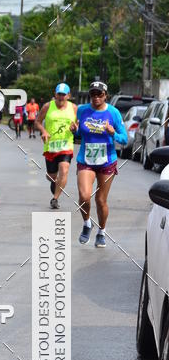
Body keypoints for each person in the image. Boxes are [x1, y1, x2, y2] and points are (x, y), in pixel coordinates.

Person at [71, 80, 128, 247]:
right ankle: (87, 223)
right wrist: (75, 130)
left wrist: (113, 134)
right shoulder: (82, 110)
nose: (96, 97)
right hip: (86, 159)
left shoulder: (114, 113)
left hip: (107, 160)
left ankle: (101, 231)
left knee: (101, 200)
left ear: (105, 96)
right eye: (93, 94)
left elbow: (124, 139)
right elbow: (81, 132)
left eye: (99, 94)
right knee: (84, 196)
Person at [35, 83, 77, 210]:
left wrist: (75, 128)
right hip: (51, 146)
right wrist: (43, 131)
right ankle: (54, 181)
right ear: (55, 94)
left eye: (64, 95)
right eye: (59, 94)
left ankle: (55, 199)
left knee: (64, 170)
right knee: (52, 176)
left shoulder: (74, 108)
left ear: (68, 96)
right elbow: (37, 122)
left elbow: (77, 125)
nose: (61, 97)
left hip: (66, 145)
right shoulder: (48, 106)